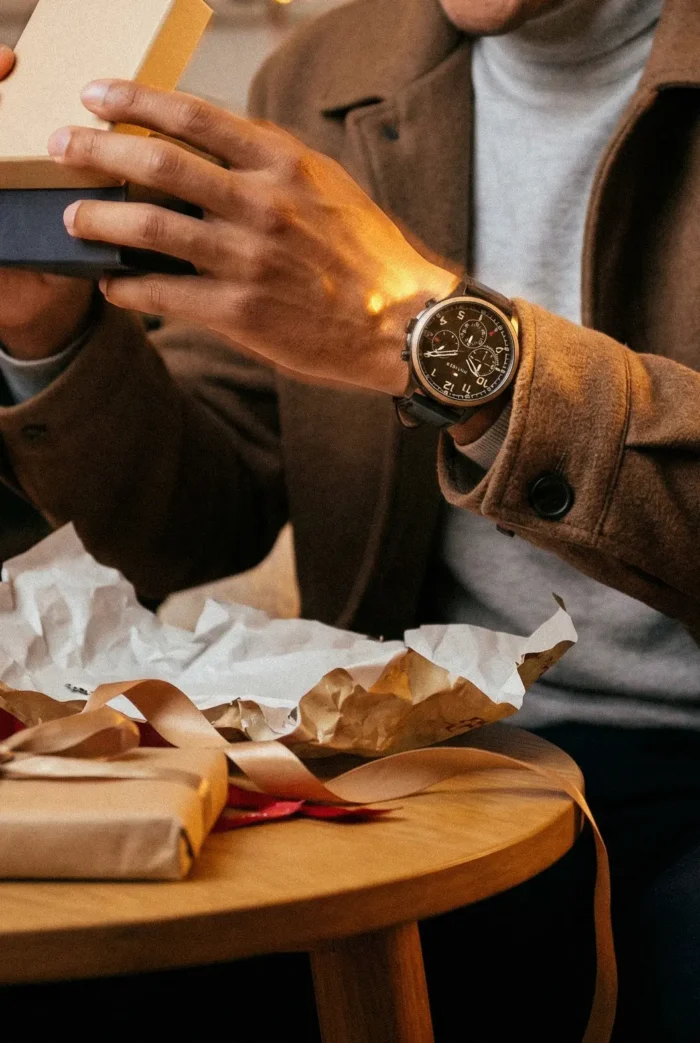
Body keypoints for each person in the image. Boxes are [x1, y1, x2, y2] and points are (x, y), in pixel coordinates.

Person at [0, 0, 698, 1038]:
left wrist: (437, 339)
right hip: (422, 770)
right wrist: (43, 329)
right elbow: (201, 517)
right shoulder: (318, 75)